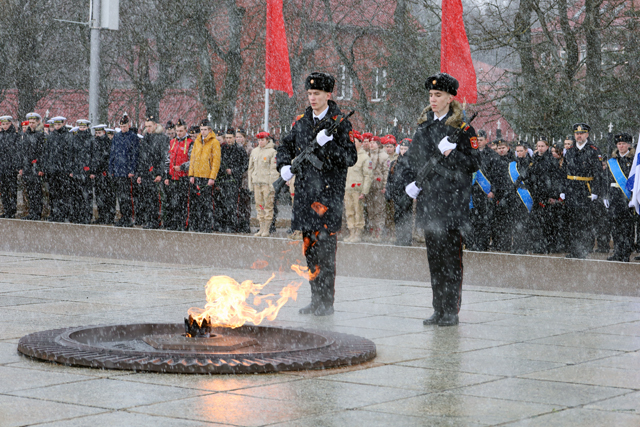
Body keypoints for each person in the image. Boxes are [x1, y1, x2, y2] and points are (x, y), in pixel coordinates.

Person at [402, 73, 479, 326]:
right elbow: (413, 159)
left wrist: (453, 153)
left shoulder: (464, 129)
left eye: (438, 95)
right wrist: (411, 183)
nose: (433, 100)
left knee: (451, 261)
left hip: (452, 203)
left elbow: (474, 164)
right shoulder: (424, 127)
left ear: (449, 98)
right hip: (429, 202)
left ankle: (451, 310)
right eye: (431, 95)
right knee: (434, 260)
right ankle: (437, 308)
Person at [276, 71, 357, 316]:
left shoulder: (340, 123)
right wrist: (284, 167)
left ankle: (326, 302)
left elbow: (350, 158)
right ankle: (315, 298)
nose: (312, 98)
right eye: (310, 93)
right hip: (304, 197)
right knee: (309, 250)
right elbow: (284, 145)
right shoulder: (300, 121)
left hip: (327, 199)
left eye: (317, 93)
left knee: (325, 252)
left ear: (328, 94)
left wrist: (329, 144)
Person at [563, 123, 605, 258]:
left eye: (581, 133)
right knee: (572, 221)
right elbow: (564, 171)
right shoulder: (570, 151)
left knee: (584, 222)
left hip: (585, 189)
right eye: (576, 133)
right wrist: (563, 189)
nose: (579, 135)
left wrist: (595, 191)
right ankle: (574, 249)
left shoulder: (593, 150)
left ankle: (584, 249)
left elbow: (598, 173)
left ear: (587, 134)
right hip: (571, 188)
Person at [606, 133, 635, 262]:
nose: (621, 146)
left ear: (628, 145)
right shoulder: (612, 161)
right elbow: (606, 179)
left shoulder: (634, 161)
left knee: (627, 228)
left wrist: (634, 198)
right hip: (614, 197)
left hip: (627, 198)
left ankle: (625, 253)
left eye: (623, 144)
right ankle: (617, 252)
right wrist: (605, 196)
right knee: (615, 227)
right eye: (619, 144)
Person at [188, 119, 220, 232]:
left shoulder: (214, 142)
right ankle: (198, 224)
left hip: (207, 176)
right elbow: (193, 158)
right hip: (197, 175)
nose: (203, 132)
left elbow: (216, 161)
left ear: (209, 130)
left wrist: (212, 177)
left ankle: (207, 225)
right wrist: (191, 174)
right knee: (197, 202)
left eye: (205, 129)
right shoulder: (197, 141)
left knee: (206, 203)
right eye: (201, 130)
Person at [135, 115, 167, 229]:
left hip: (155, 172)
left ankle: (155, 220)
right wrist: (139, 174)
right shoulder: (145, 138)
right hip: (146, 173)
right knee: (147, 198)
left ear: (155, 125)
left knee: (154, 199)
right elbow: (141, 158)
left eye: (150, 126)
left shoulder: (161, 138)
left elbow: (163, 157)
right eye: (146, 126)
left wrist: (160, 173)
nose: (148, 128)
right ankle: (149, 220)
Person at [214, 127, 248, 232]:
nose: (228, 140)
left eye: (230, 137)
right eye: (227, 138)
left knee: (232, 205)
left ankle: (232, 225)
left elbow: (245, 165)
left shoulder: (240, 149)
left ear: (234, 138)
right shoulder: (222, 149)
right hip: (223, 180)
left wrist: (233, 171)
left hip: (234, 181)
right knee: (222, 203)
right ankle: (223, 224)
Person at [468, 129, 497, 251]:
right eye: (477, 140)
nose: (478, 142)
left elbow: (495, 175)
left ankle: (483, 243)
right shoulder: (471, 153)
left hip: (485, 192)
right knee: (473, 219)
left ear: (486, 140)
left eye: (481, 140)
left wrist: (493, 190)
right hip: (473, 191)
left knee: (484, 219)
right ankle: (473, 243)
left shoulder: (492, 155)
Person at [109, 115, 139, 227]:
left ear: (129, 125)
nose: (123, 128)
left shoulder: (133, 137)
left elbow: (134, 155)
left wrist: (132, 169)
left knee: (127, 197)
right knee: (120, 197)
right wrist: (111, 168)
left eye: (124, 126)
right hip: (118, 170)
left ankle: (128, 218)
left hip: (127, 171)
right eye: (121, 126)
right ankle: (123, 217)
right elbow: (113, 153)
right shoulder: (116, 137)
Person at [163, 119, 193, 231]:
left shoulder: (190, 142)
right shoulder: (172, 142)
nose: (179, 133)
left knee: (182, 202)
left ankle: (182, 223)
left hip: (183, 177)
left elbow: (192, 160)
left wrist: (182, 167)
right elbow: (167, 160)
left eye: (181, 131)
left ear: (185, 130)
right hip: (172, 177)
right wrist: (166, 175)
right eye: (177, 131)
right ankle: (173, 223)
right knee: (172, 202)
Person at [248, 131, 278, 237]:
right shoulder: (255, 152)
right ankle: (261, 227)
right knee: (259, 206)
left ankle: (267, 228)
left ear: (267, 140)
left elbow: (274, 170)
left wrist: (272, 184)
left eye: (262, 140)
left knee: (268, 206)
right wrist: (251, 182)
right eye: (259, 140)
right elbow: (250, 168)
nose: (260, 142)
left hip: (266, 183)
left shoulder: (272, 152)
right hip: (257, 182)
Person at [344, 131, 372, 243]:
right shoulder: (348, 155)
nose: (352, 144)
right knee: (349, 212)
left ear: (360, 142)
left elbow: (368, 176)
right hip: (348, 189)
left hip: (358, 190)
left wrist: (364, 191)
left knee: (358, 212)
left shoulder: (364, 157)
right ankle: (351, 232)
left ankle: (358, 233)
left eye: (354, 141)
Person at [386, 139, 413, 246]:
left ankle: (406, 239)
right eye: (401, 148)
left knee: (406, 216)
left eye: (405, 149)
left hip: (406, 194)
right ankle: (400, 237)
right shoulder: (394, 163)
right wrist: (388, 191)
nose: (403, 151)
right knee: (397, 216)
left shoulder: (412, 162)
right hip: (396, 193)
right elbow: (390, 179)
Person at [491, 139, 516, 252]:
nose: (501, 150)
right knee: (497, 221)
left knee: (507, 221)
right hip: (498, 194)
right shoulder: (495, 160)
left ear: (508, 148)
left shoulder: (512, 161)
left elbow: (512, 180)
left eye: (503, 148)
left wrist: (506, 195)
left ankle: (506, 244)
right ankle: (498, 243)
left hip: (509, 194)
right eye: (499, 148)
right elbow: (494, 178)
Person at [19, 112, 45, 220]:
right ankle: (32, 212)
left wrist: (41, 167)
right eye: (30, 122)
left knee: (37, 192)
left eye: (33, 122)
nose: (31, 124)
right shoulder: (26, 135)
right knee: (30, 191)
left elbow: (43, 152)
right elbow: (22, 152)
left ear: (38, 122)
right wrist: (21, 166)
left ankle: (37, 213)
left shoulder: (41, 135)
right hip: (27, 167)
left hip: (36, 167)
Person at [68, 120, 94, 224]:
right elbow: (71, 155)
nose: (82, 129)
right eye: (80, 127)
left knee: (86, 196)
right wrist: (71, 169)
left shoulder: (91, 139)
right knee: (76, 195)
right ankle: (76, 215)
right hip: (76, 170)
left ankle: (86, 216)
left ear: (87, 127)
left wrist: (91, 169)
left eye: (84, 127)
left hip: (86, 170)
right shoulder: (75, 138)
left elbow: (93, 156)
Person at [364, 135, 389, 241]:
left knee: (379, 209)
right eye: (370, 142)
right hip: (369, 186)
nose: (371, 144)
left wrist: (384, 186)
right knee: (370, 209)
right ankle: (372, 231)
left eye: (374, 143)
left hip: (378, 186)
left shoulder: (384, 156)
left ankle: (378, 232)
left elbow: (386, 172)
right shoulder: (366, 155)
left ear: (378, 144)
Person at [90, 125, 115, 224]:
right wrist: (93, 170)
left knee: (107, 195)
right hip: (98, 173)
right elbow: (93, 157)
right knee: (99, 195)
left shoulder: (107, 143)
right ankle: (102, 216)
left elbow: (105, 158)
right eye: (96, 133)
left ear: (104, 133)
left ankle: (108, 216)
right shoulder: (95, 142)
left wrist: (101, 169)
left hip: (105, 173)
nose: (97, 135)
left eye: (99, 133)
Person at [0, 116, 19, 218]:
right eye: (3, 124)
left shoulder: (15, 136)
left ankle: (12, 210)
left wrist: (16, 165)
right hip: (2, 167)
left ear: (10, 124)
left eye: (6, 124)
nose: (5, 126)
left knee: (12, 190)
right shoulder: (1, 135)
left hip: (11, 167)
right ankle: (6, 209)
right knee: (4, 190)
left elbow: (17, 152)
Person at [236, 128, 253, 233]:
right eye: (237, 137)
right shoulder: (235, 148)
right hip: (237, 178)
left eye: (240, 137)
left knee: (245, 202)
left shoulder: (249, 149)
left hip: (245, 179)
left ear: (244, 138)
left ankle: (245, 223)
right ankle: (239, 222)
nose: (238, 139)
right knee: (238, 203)